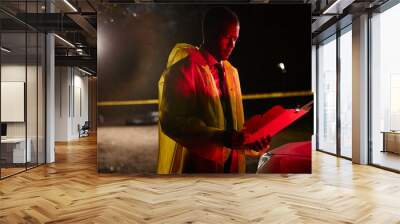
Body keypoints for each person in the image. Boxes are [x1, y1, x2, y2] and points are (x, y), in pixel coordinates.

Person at [157, 7, 270, 174]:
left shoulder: (232, 73)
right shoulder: (183, 71)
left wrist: (251, 142)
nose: (232, 45)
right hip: (199, 167)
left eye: (235, 39)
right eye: (227, 37)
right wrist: (219, 137)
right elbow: (172, 122)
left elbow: (235, 123)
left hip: (231, 166)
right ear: (209, 32)